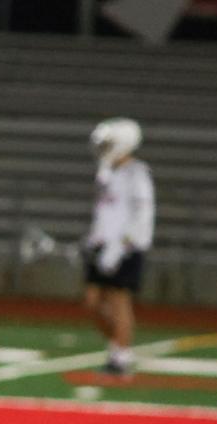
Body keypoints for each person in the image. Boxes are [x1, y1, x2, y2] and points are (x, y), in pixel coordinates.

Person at [83, 117, 154, 378]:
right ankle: (117, 345)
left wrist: (121, 247)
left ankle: (121, 357)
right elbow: (105, 212)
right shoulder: (107, 172)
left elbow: (141, 217)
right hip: (102, 246)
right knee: (92, 302)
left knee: (119, 302)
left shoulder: (137, 174)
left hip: (125, 248)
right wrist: (95, 239)